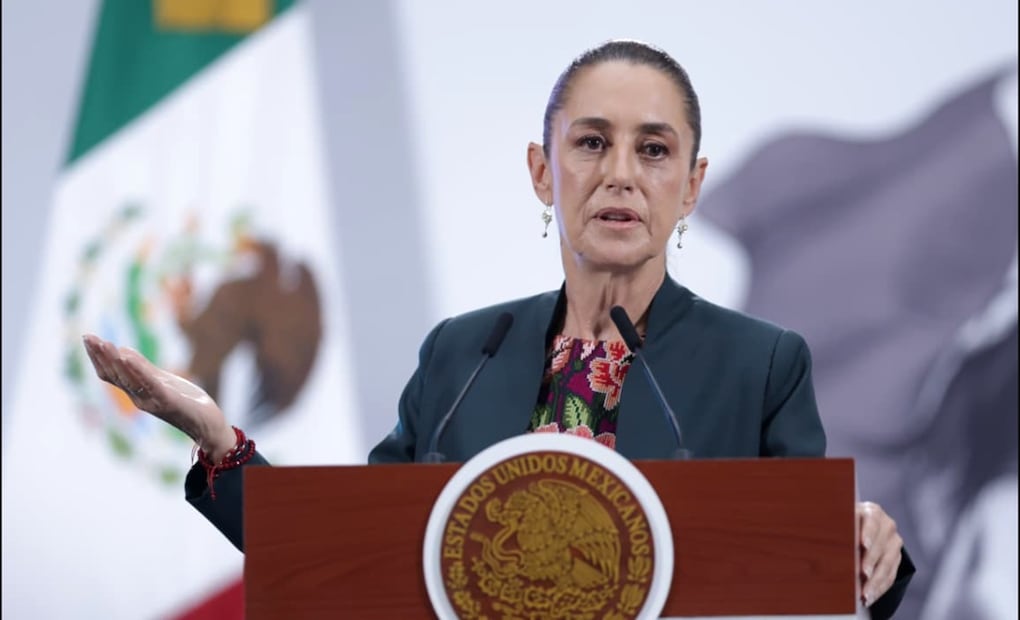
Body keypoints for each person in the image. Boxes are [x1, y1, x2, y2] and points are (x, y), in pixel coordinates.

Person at [82, 39, 914, 617]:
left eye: (654, 151)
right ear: (543, 171)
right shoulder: (461, 354)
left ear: (692, 187)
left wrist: (871, 553)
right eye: (592, 143)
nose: (621, 173)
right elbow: (343, 558)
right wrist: (219, 437)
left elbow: (814, 577)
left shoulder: (761, 363)